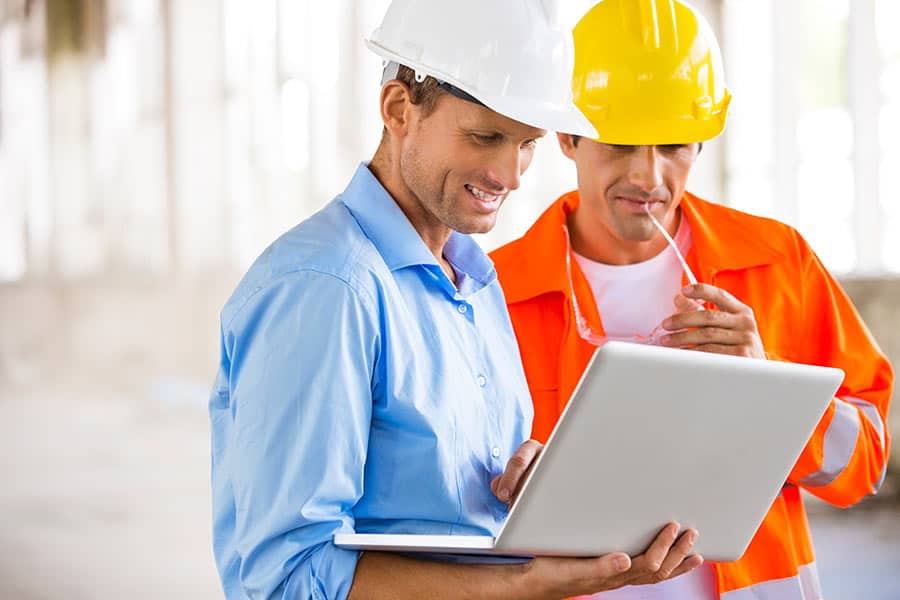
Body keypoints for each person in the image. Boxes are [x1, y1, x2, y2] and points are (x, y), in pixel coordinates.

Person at [209, 1, 704, 598]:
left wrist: (541, 498)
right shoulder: (327, 288)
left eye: (527, 144)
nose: (510, 174)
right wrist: (527, 583)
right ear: (399, 109)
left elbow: (449, 513)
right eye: (485, 136)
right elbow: (289, 580)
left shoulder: (472, 279)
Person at [490, 1, 894, 599]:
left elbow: (866, 460)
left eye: (673, 145)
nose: (648, 177)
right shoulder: (490, 293)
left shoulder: (777, 262)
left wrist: (768, 391)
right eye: (620, 144)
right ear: (566, 137)